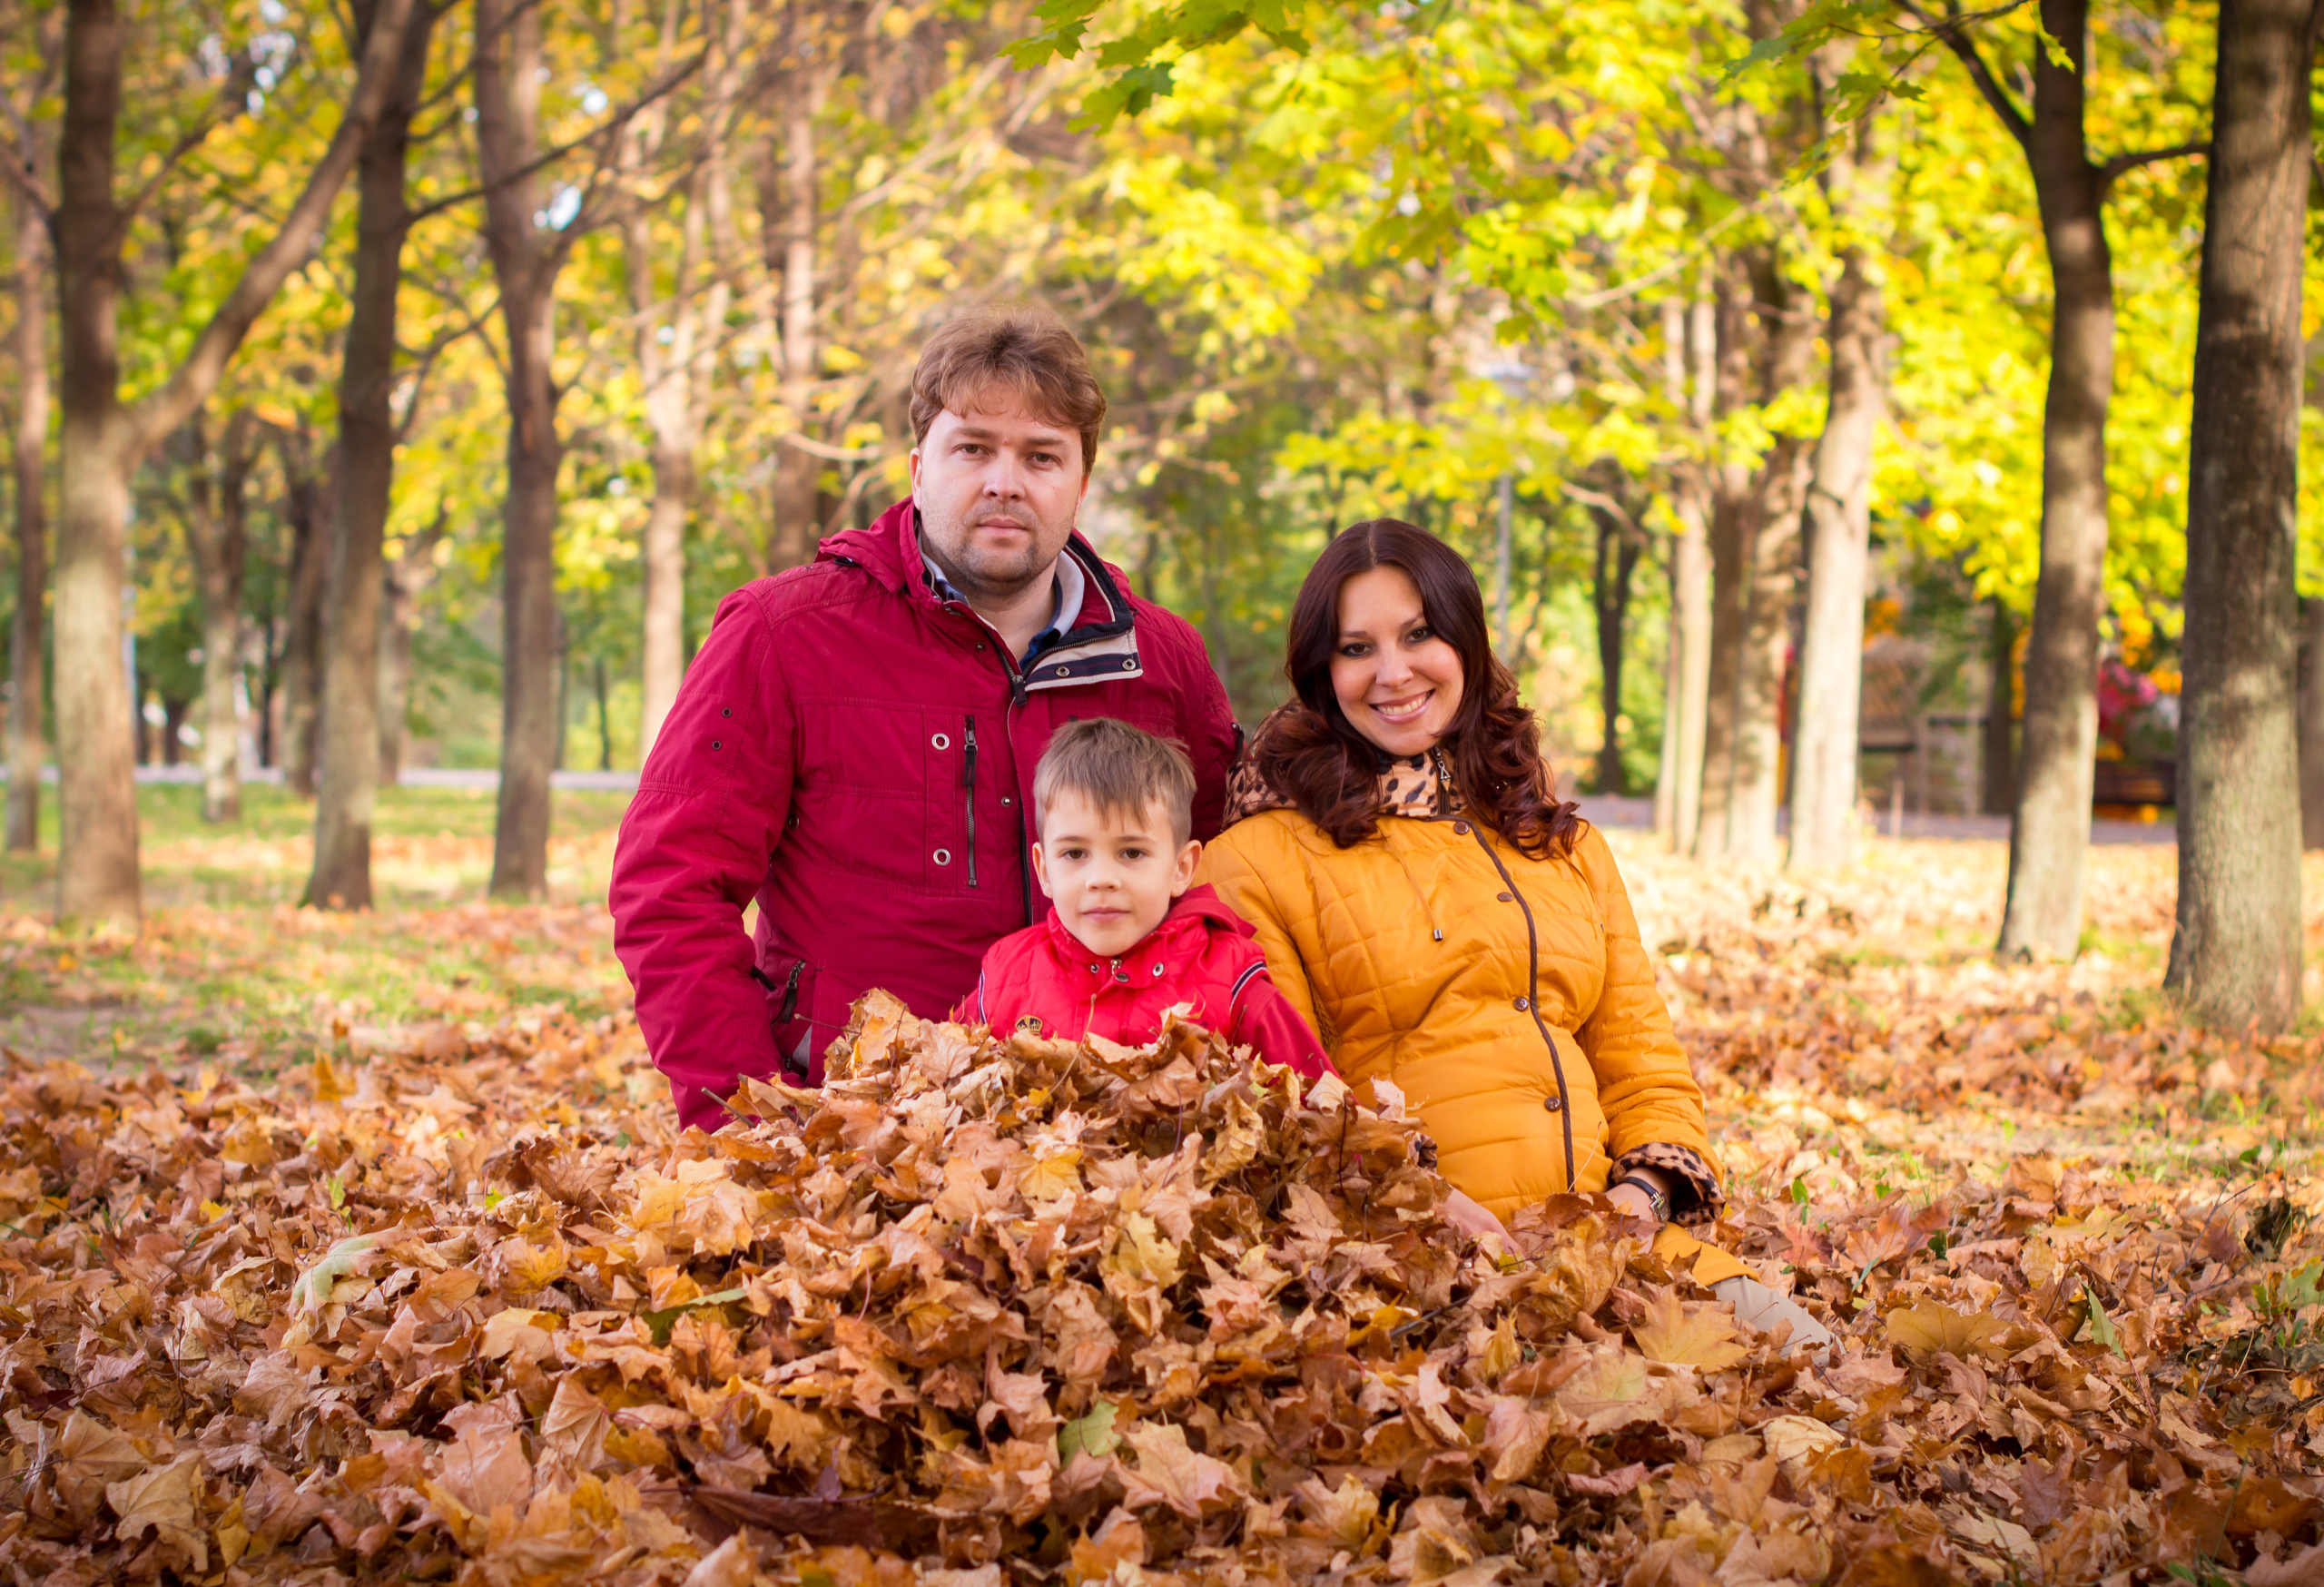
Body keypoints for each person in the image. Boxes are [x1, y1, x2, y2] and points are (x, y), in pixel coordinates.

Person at [1197, 518, 1832, 1348]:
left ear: (1465, 641)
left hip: (1615, 1246)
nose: (1393, 672)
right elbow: (1289, 1107)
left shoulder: (1560, 843)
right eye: (1357, 648)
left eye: (1419, 634)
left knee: (1819, 1364)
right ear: (1324, 672)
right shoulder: (1259, 858)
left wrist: (1636, 1203)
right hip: (1416, 1269)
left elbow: (1645, 1064)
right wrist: (1429, 1210)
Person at [610, 306, 1239, 1131]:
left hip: (1103, 1134)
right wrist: (753, 1127)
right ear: (917, 468)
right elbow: (671, 888)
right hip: (855, 1131)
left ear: (1080, 485)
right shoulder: (782, 636)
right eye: (973, 448)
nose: (1004, 482)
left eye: (1041, 456)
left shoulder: (1161, 660)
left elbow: (1217, 888)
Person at [953, 716, 1333, 1078]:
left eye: (1131, 853)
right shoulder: (1006, 977)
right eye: (1074, 854)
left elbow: (1324, 1113)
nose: (1101, 880)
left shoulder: (1230, 982)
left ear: (1181, 868)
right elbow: (944, 1087)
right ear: (1044, 869)